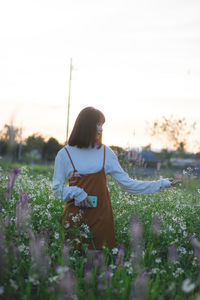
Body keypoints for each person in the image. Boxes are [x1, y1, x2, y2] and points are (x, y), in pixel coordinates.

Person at [52, 107, 180, 251]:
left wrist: (162, 183)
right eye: (98, 124)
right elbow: (57, 189)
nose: (101, 129)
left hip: (101, 218)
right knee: (73, 264)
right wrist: (77, 193)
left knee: (98, 263)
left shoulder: (106, 153)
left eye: (102, 125)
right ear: (85, 125)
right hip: (74, 218)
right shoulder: (64, 154)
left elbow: (128, 184)